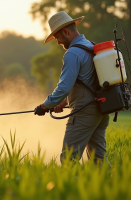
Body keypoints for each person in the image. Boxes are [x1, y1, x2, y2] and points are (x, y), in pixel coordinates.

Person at [34, 11, 109, 163]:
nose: (58, 42)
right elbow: (88, 81)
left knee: (69, 159)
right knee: (99, 160)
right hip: (101, 111)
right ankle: (112, 185)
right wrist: (64, 102)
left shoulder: (73, 53)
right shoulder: (91, 46)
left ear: (66, 32)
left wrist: (45, 105)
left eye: (57, 38)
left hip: (84, 113)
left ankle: (71, 187)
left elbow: (63, 88)